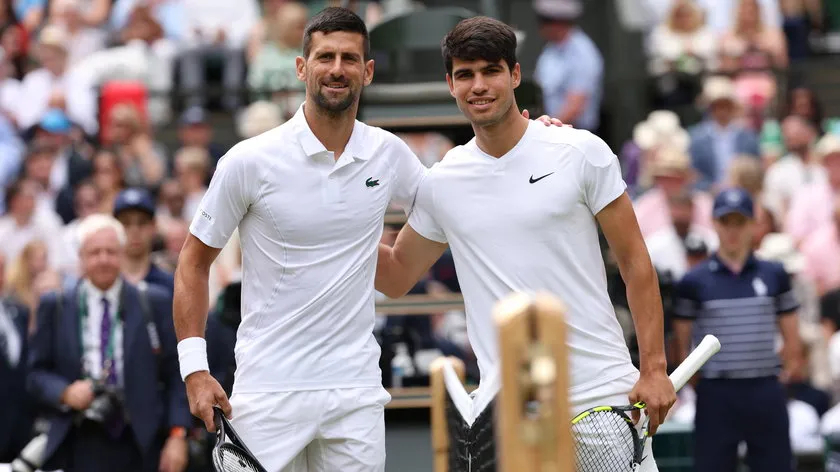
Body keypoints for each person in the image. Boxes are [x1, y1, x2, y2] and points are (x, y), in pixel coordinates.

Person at [173, 7, 561, 472]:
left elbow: (458, 195)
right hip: (268, 390)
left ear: (368, 71)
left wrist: (532, 141)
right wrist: (195, 370)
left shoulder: (387, 153)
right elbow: (193, 264)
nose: (337, 69)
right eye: (325, 57)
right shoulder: (248, 160)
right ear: (302, 67)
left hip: (355, 393)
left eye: (350, 59)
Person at [374, 16, 675, 470]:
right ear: (450, 85)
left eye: (491, 71)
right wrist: (332, 229)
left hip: (601, 397)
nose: (479, 85)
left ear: (514, 75)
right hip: (510, 414)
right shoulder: (442, 182)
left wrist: (653, 368)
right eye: (465, 75)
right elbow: (396, 276)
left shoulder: (580, 152)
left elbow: (635, 262)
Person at [27, 214, 190, 472]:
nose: (103, 259)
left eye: (111, 251)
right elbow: (35, 374)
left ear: (122, 254)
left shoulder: (153, 302)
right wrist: (64, 392)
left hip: (140, 439)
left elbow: (177, 374)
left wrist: (178, 435)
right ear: (81, 257)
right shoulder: (55, 305)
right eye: (95, 252)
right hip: (78, 436)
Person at [672, 187, 803, 472]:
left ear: (752, 225)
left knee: (776, 465)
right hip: (717, 392)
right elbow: (683, 345)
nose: (732, 231)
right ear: (714, 224)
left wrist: (786, 369)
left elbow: (792, 334)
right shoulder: (694, 281)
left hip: (764, 388)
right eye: (725, 222)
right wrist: (700, 382)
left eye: (739, 222)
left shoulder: (774, 275)